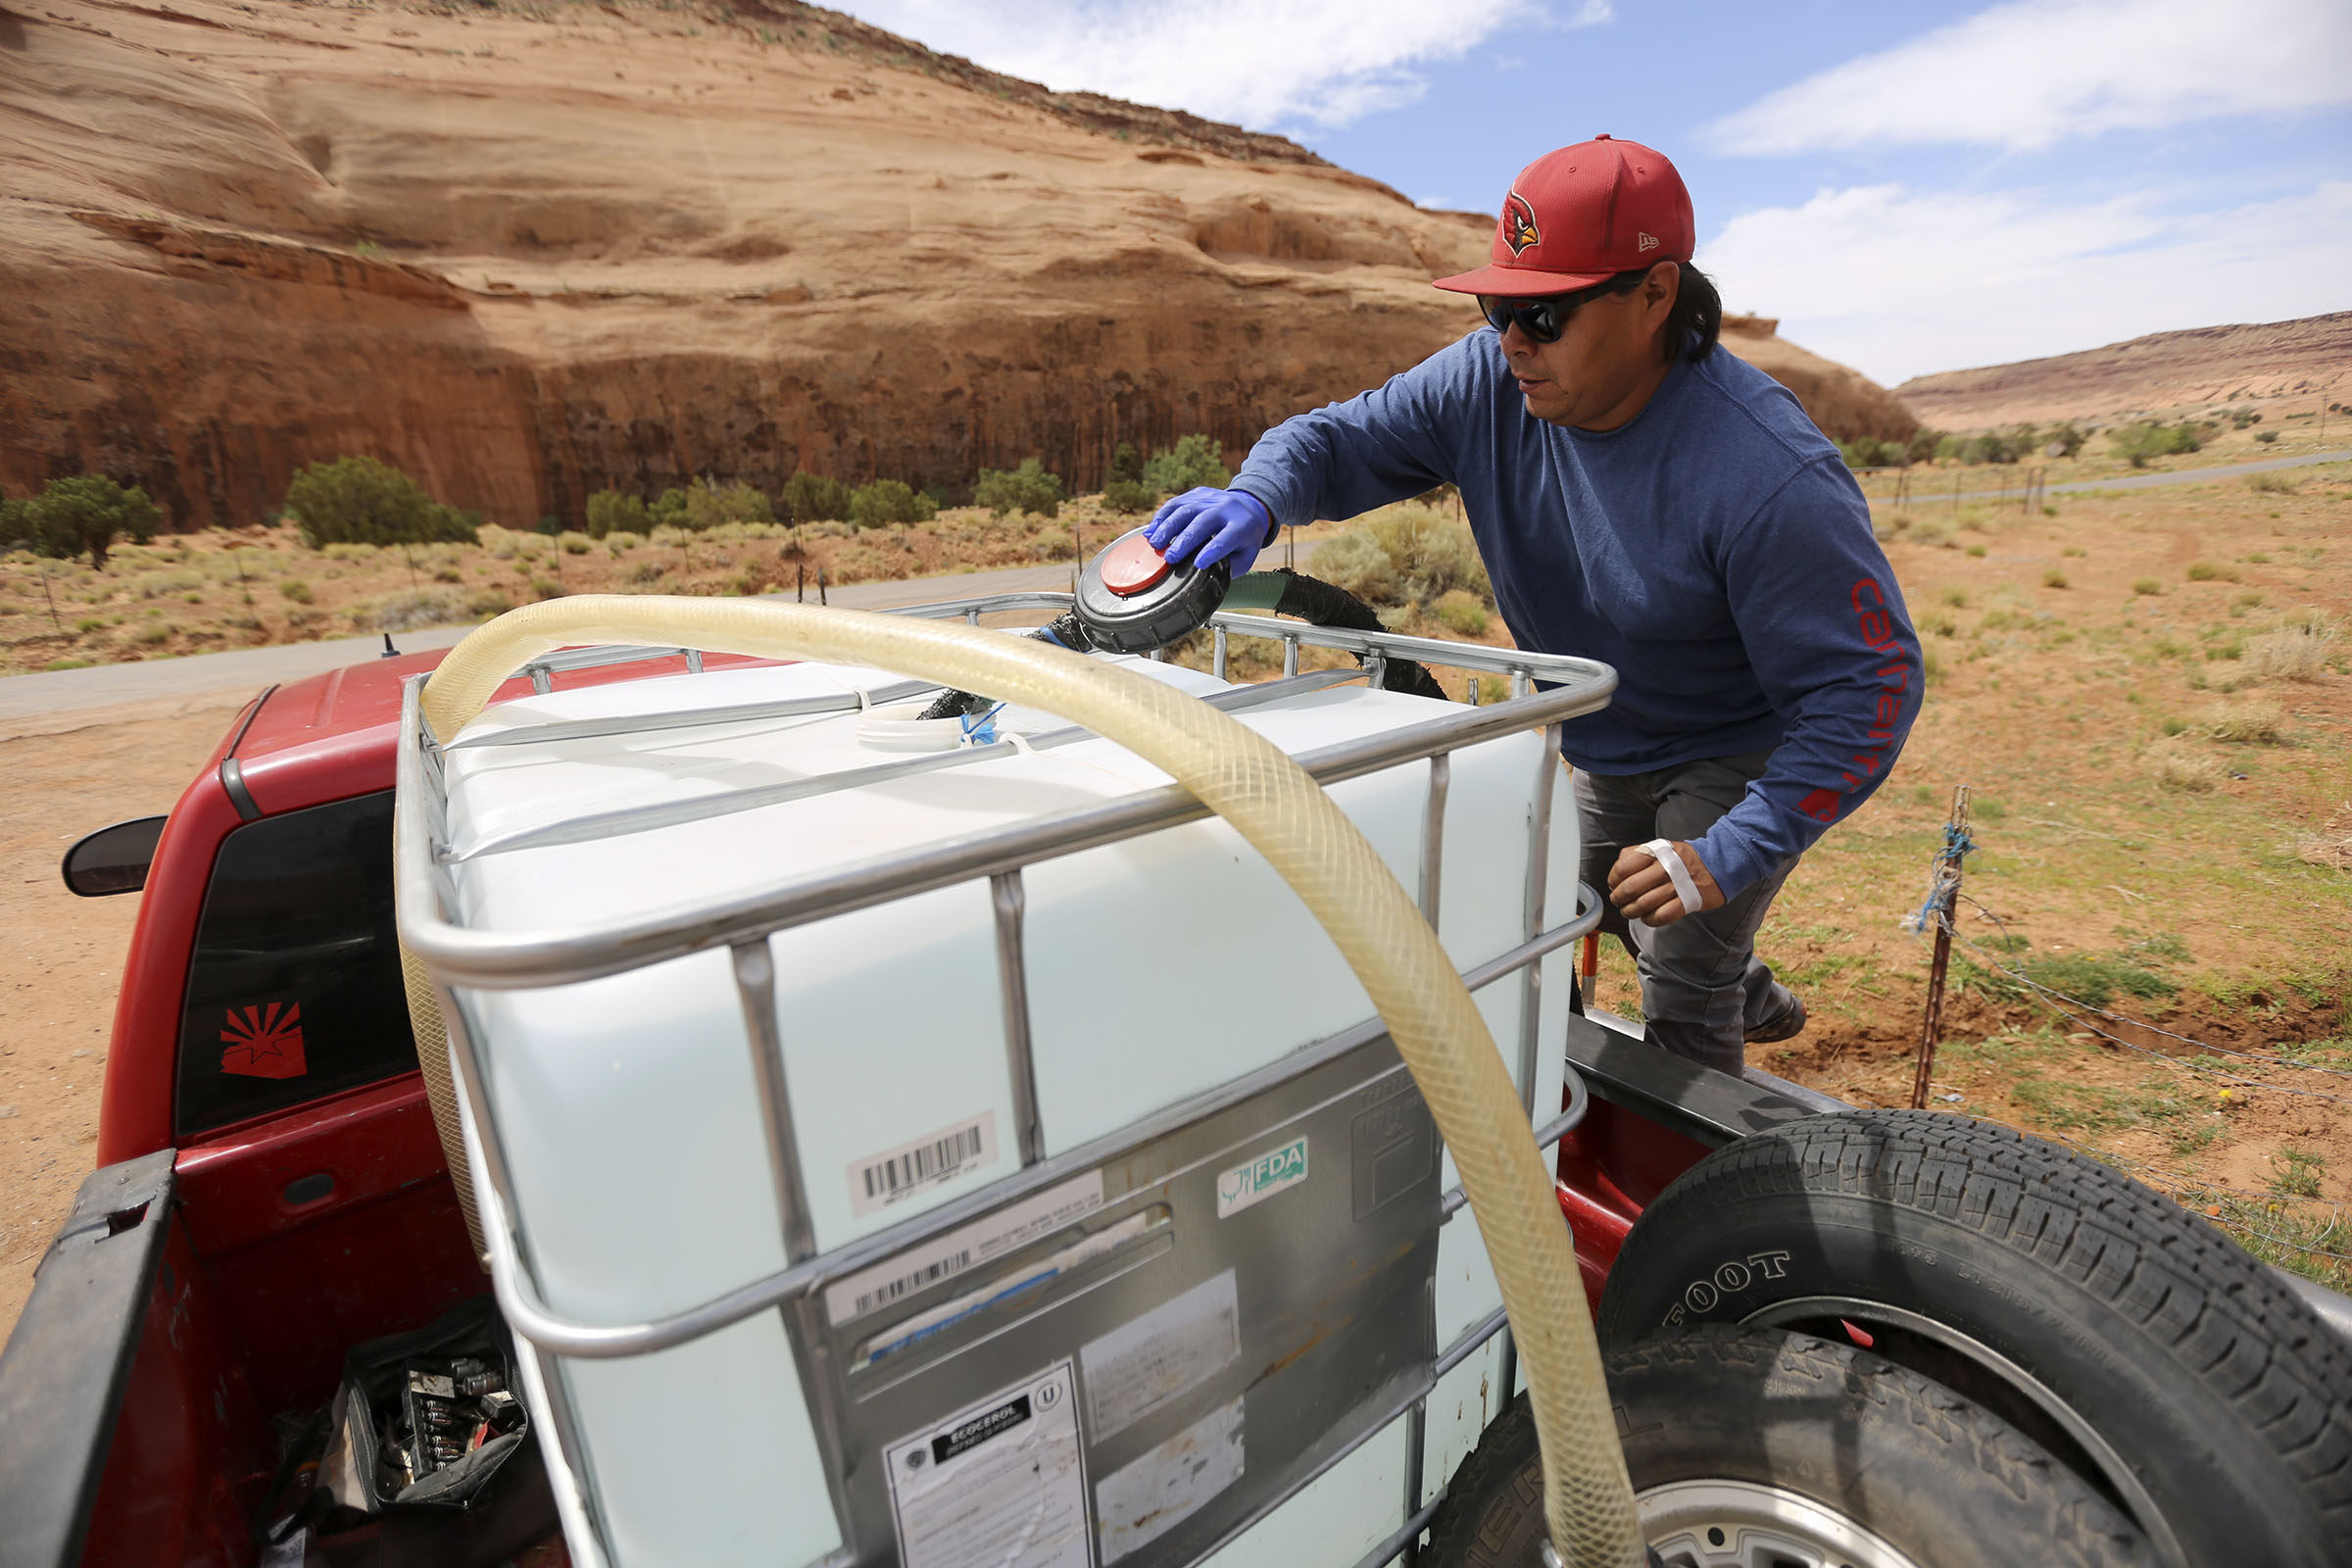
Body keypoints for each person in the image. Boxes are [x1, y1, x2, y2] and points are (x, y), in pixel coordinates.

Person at [1145, 135, 1923, 1076]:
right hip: (1594, 726)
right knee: (1534, 913)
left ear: (1655, 296)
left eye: (1545, 313)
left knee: (1683, 969)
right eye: (1498, 306)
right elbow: (1337, 441)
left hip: (1728, 747)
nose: (1511, 340)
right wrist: (1260, 496)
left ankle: (1692, 1186)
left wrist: (1732, 849)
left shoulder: (1767, 475)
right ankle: (1619, 1071)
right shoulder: (1489, 380)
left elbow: (1869, 687)